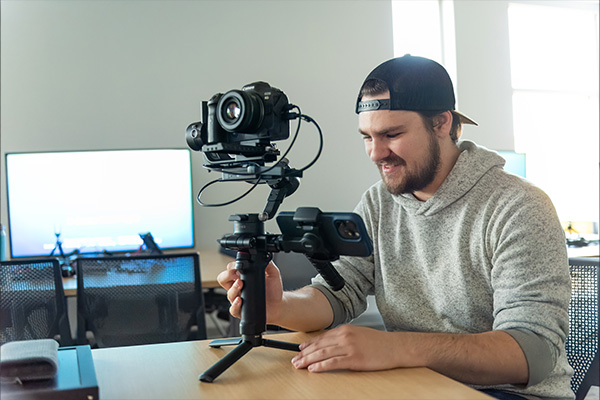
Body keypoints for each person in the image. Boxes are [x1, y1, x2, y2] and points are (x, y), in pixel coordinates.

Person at [218, 55, 573, 400]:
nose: (375, 153)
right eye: (367, 137)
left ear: (442, 123)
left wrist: (394, 347)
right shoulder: (379, 202)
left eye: (391, 134)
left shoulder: (517, 206)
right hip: (415, 385)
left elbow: (532, 353)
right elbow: (339, 292)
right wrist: (279, 306)